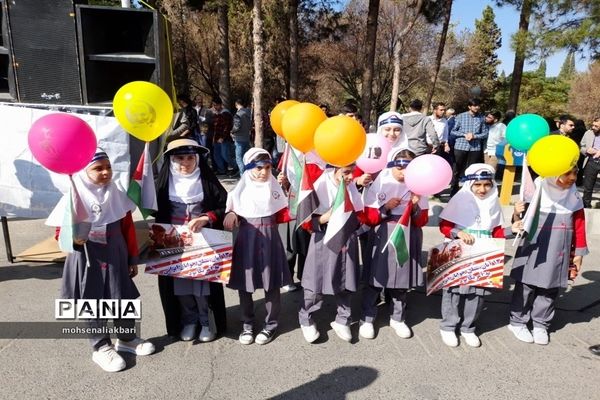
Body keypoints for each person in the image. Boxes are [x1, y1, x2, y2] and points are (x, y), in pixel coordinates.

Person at [46, 149, 155, 372]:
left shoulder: (115, 193)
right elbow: (61, 233)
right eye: (98, 168)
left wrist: (132, 258)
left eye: (108, 167)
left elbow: (127, 229)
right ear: (84, 172)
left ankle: (127, 339)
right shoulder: (73, 196)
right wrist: (76, 237)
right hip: (87, 257)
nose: (106, 172)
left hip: (115, 255)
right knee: (92, 301)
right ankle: (100, 346)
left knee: (123, 296)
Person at [438, 163, 521, 347]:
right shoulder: (459, 199)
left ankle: (468, 327)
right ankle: (448, 326)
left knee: (477, 292)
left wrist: (512, 229)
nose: (482, 189)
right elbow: (443, 225)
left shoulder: (493, 203)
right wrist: (457, 233)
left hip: (484, 250)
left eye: (486, 184)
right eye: (477, 184)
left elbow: (497, 232)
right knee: (453, 290)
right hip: (458, 248)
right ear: (469, 184)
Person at [154, 138, 228, 342]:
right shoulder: (161, 186)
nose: (185, 163)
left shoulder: (208, 182)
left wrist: (207, 217)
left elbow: (225, 207)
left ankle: (206, 322)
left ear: (197, 159)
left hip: (203, 243)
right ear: (171, 160)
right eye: (179, 158)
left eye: (189, 157)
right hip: (175, 245)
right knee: (180, 285)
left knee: (202, 287)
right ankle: (189, 321)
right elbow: (151, 210)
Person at [509, 167, 588, 345]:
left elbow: (580, 226)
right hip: (533, 246)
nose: (573, 178)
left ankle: (540, 323)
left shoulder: (573, 197)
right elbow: (519, 222)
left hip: (559, 248)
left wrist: (579, 253)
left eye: (575, 173)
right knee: (526, 284)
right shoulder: (536, 191)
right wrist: (516, 212)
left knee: (550, 286)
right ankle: (518, 321)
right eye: (567, 173)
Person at [359, 148, 429, 340]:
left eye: (408, 169)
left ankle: (398, 317)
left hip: (407, 235)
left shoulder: (419, 186)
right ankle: (367, 317)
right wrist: (385, 207)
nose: (403, 173)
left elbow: (422, 220)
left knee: (401, 280)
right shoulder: (380, 183)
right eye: (399, 168)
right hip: (383, 234)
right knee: (376, 279)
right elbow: (369, 217)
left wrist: (415, 205)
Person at [224, 148, 292, 345]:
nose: (264, 172)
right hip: (247, 239)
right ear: (248, 168)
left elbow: (285, 213)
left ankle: (271, 325)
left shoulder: (274, 188)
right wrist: (231, 213)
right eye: (259, 168)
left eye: (268, 167)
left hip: (270, 240)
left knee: (272, 284)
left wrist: (287, 188)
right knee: (245, 284)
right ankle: (247, 324)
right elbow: (231, 209)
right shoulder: (239, 191)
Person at [298, 164, 364, 344]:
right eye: (346, 172)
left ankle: (343, 319)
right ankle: (307, 318)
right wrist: (326, 217)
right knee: (315, 279)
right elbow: (306, 223)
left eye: (353, 172)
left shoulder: (351, 189)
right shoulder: (320, 186)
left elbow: (361, 215)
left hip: (346, 237)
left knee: (345, 277)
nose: (351, 177)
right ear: (334, 169)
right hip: (323, 237)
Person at [449, 98, 489, 195]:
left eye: (478, 106)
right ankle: (454, 188)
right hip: (460, 146)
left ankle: (469, 189)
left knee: (472, 169)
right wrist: (464, 135)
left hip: (475, 147)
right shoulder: (460, 116)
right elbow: (453, 131)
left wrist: (475, 136)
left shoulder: (481, 118)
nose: (477, 107)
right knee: (457, 168)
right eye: (475, 106)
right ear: (469, 106)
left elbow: (485, 133)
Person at [211, 97, 236, 176]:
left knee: (225, 155)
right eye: (214, 105)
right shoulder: (216, 114)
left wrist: (223, 137)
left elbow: (227, 126)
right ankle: (222, 170)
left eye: (216, 105)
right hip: (216, 138)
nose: (215, 107)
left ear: (220, 105)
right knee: (217, 155)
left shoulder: (225, 113)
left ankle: (236, 166)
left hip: (224, 139)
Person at [580, 118, 600, 208]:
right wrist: (587, 150)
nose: (593, 127)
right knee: (588, 186)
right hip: (591, 161)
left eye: (596, 126)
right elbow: (581, 146)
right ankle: (586, 206)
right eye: (593, 125)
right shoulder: (588, 133)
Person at [231, 98, 252, 177]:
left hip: (239, 138)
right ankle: (249, 174)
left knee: (239, 158)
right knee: (246, 158)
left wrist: (232, 131)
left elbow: (237, 126)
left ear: (236, 104)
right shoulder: (249, 112)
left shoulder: (238, 114)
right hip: (247, 137)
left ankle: (243, 176)